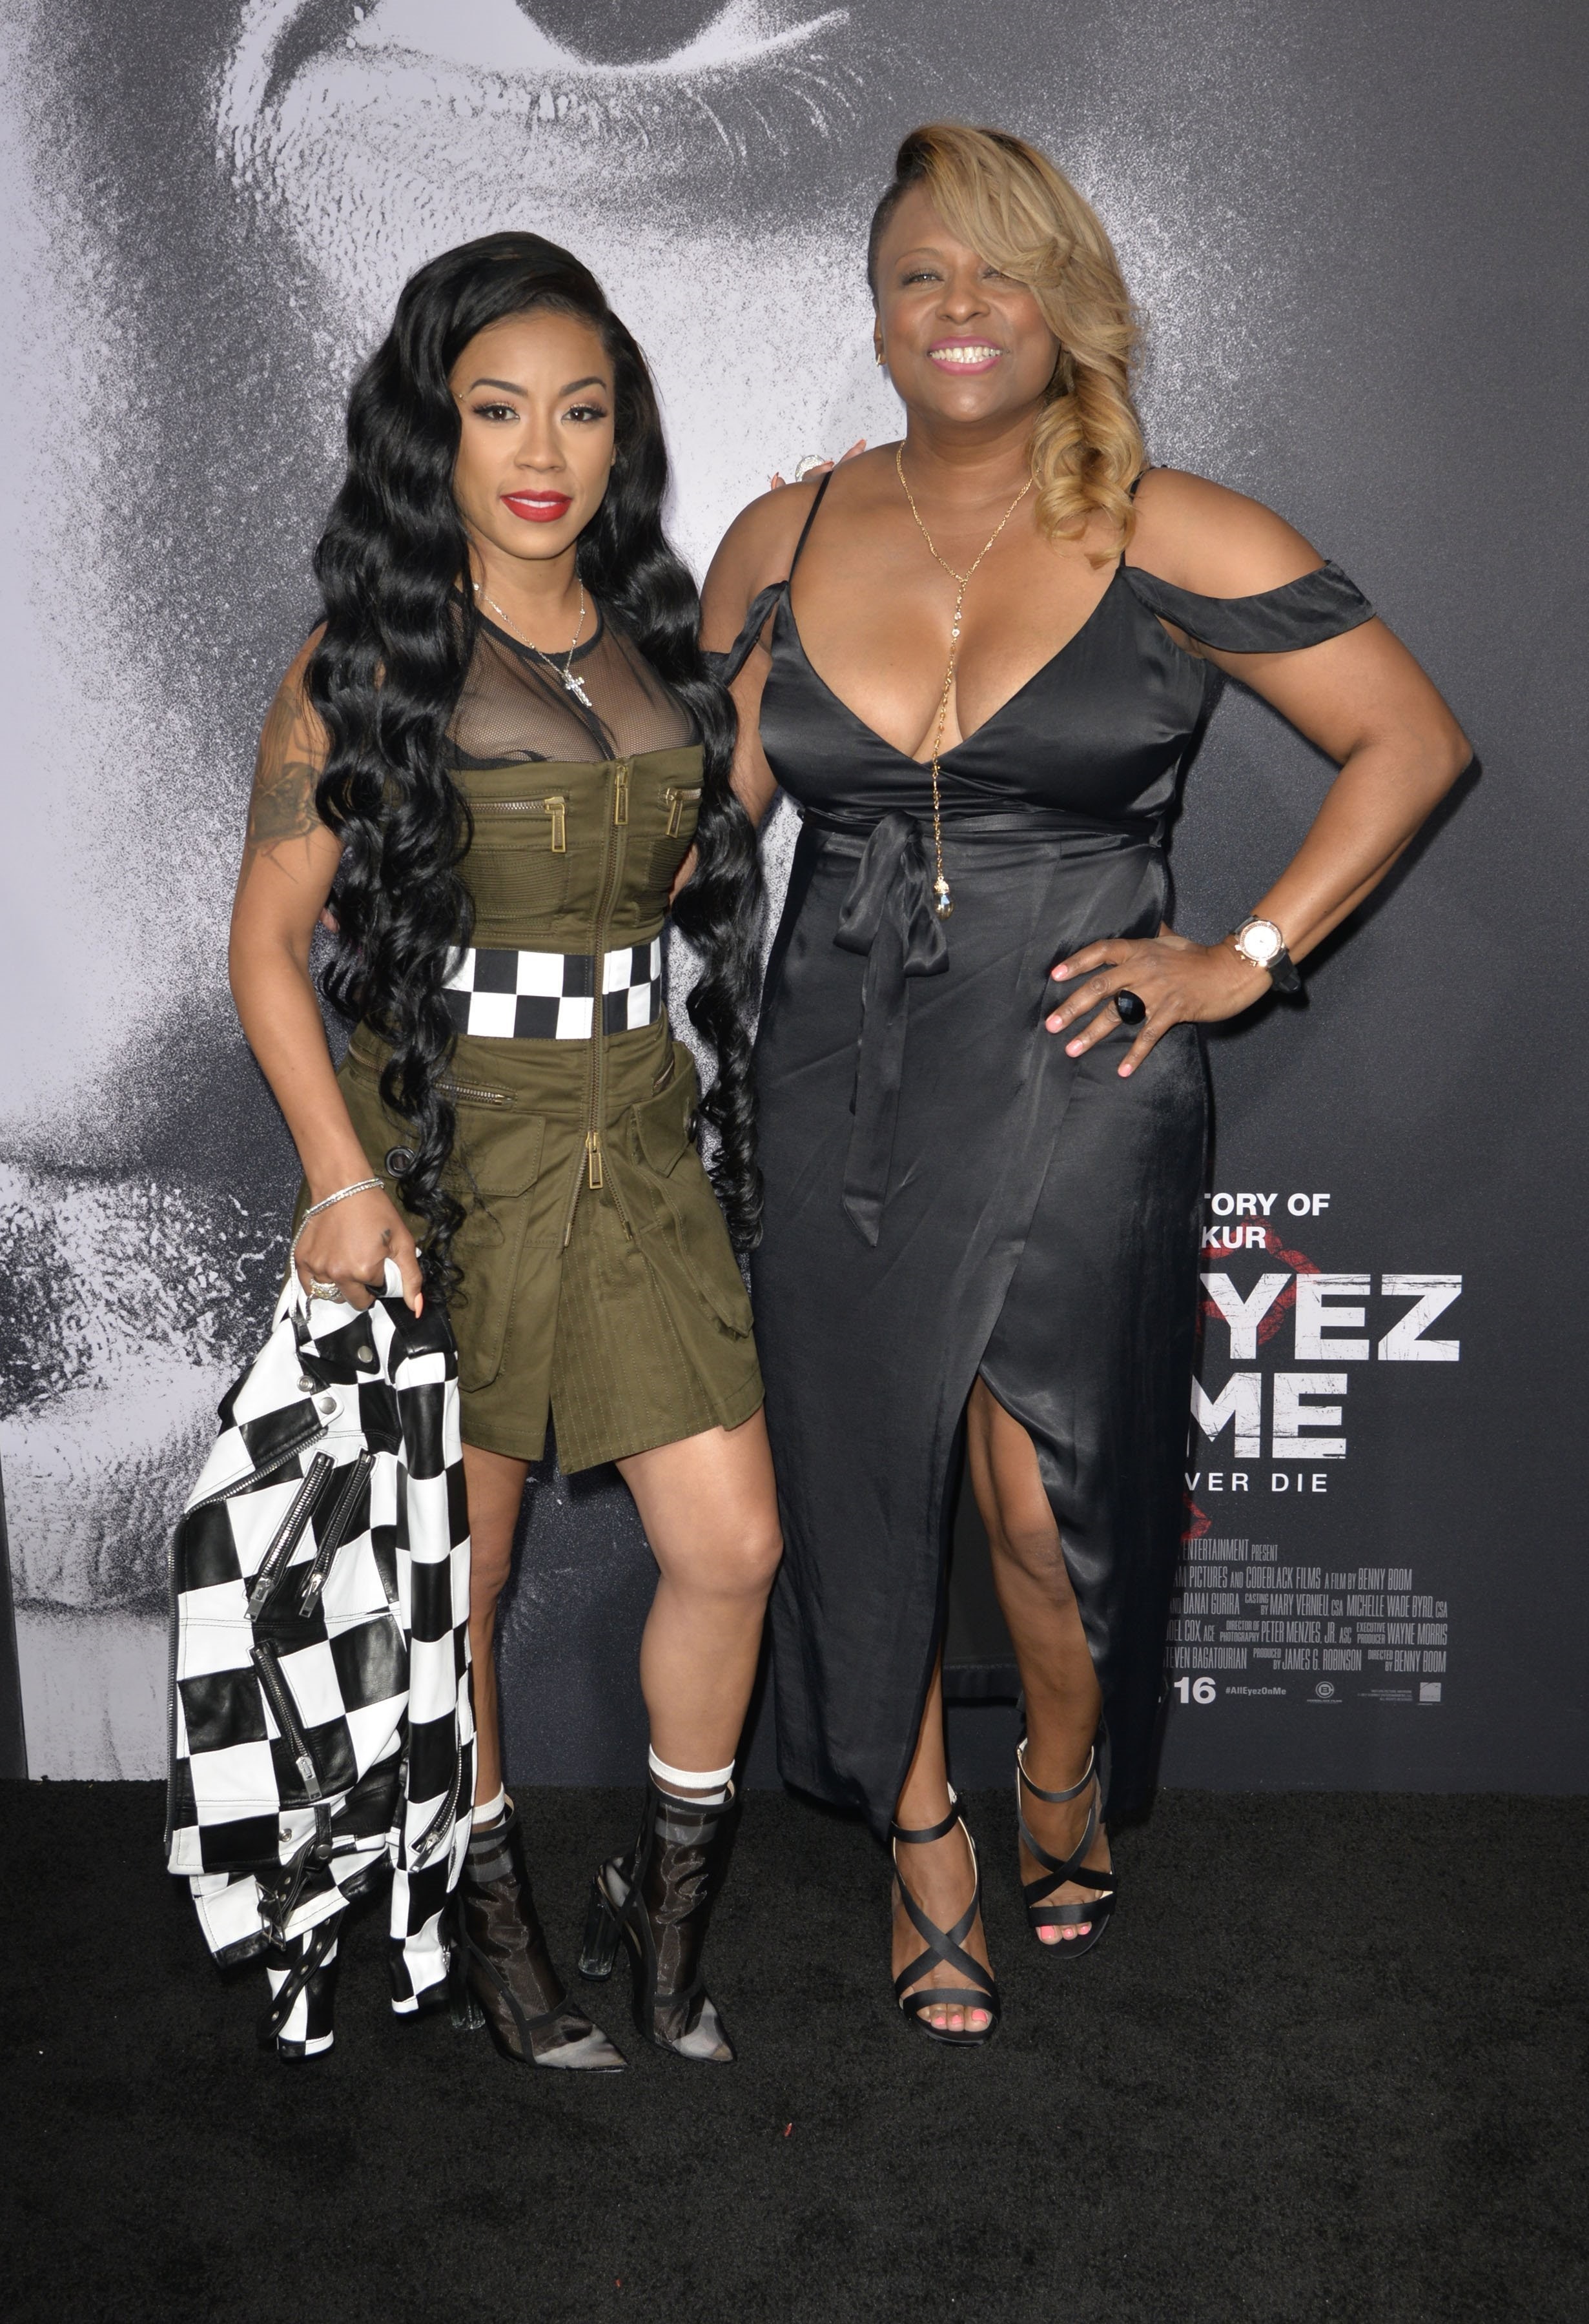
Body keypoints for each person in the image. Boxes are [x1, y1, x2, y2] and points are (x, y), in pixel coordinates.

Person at [702, 125, 1470, 2043]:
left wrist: (1245, 957)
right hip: (838, 1078)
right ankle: (923, 1842)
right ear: (877, 309)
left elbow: (1408, 737)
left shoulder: (1173, 526)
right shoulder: (780, 537)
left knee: (1045, 1511)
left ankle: (1062, 1766)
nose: (961, 306)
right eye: (921, 273)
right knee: (859, 1486)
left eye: (1004, 270)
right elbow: (700, 827)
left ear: (1069, 306)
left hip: (1082, 1067)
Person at [229, 232, 781, 2067]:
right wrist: (340, 1176)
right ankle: (492, 1930)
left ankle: (663, 1917)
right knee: (455, 1579)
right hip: (453, 1152)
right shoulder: (365, 660)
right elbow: (265, 941)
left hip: (639, 1133)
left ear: (624, 432)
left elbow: (679, 859)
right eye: (497, 410)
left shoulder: (657, 640)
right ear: (433, 432)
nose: (544, 451)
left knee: (735, 1544)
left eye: (583, 410)